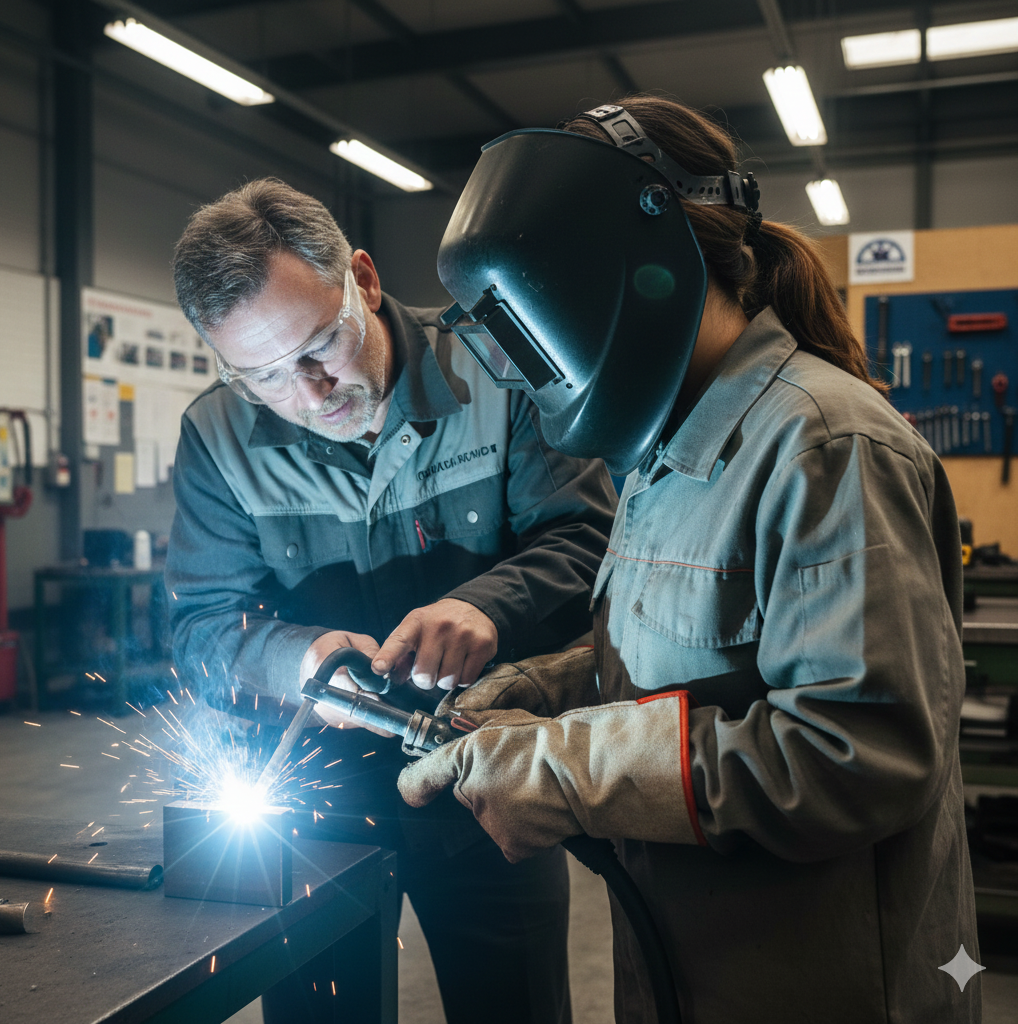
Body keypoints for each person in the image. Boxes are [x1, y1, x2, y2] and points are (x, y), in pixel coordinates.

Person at [399, 98, 980, 1023]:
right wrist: (544, 691)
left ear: (621, 265)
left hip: (820, 993)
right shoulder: (663, 457)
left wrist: (563, 769)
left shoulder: (823, 445)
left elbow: (860, 754)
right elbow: (692, 655)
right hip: (688, 976)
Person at [166, 178, 617, 1024]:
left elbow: (589, 537)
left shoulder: (500, 373)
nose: (307, 393)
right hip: (314, 808)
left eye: (319, 346)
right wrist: (296, 657)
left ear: (363, 281)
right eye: (260, 375)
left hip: (486, 784)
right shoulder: (217, 436)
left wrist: (489, 604)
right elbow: (200, 626)